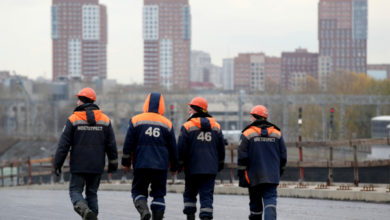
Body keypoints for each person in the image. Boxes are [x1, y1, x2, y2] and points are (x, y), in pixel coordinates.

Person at [54, 87, 118, 220]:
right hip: (97, 165)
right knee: (92, 193)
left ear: (82, 101)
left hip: (78, 165)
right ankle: (92, 216)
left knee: (75, 191)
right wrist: (113, 164)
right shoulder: (105, 120)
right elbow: (111, 145)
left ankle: (85, 211)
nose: (77, 102)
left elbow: (63, 145)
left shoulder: (73, 119)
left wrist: (57, 164)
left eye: (78, 100)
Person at [121, 92, 178, 220]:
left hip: (141, 164)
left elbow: (128, 144)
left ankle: (144, 211)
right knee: (159, 194)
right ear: (162, 106)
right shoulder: (167, 124)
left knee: (138, 191)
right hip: (160, 167)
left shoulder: (136, 120)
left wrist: (126, 162)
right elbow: (173, 148)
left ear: (146, 104)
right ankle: (157, 217)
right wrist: (174, 167)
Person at [178, 96, 225, 220]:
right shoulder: (216, 127)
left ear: (196, 110)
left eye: (191, 109)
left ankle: (190, 217)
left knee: (190, 195)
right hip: (210, 170)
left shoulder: (187, 126)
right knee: (207, 197)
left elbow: (181, 149)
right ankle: (206, 217)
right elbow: (221, 149)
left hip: (192, 169)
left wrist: (179, 164)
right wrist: (220, 164)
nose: (189, 112)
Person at [237, 105, 287, 220]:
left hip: (253, 176)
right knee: (270, 202)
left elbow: (242, 157)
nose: (250, 119)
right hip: (272, 175)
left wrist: (241, 176)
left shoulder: (247, 133)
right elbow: (283, 156)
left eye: (251, 117)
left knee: (255, 205)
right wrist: (279, 172)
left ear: (255, 117)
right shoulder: (277, 133)